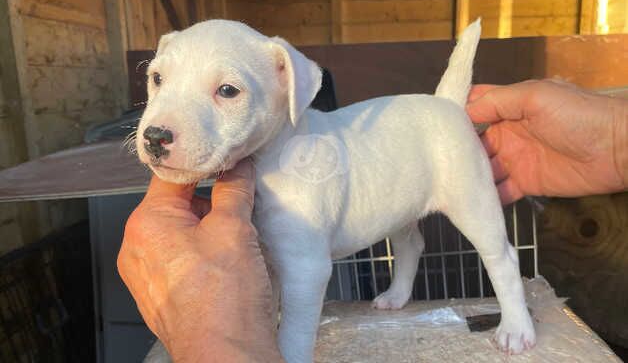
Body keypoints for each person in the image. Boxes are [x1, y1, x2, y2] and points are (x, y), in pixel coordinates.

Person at [117, 79, 627, 362]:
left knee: (487, 235)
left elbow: (309, 270)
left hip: (439, 138)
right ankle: (402, 283)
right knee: (401, 232)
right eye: (159, 77)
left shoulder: (300, 157)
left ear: (285, 82)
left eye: (227, 91)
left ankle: (514, 307)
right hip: (408, 147)